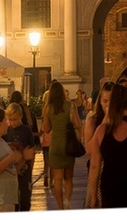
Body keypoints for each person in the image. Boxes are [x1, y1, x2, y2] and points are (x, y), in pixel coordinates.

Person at [0, 105, 34, 213]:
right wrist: (11, 158)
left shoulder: (1, 141)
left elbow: (12, 170)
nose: (8, 123)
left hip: (8, 198)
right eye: (6, 120)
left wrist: (24, 158)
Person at [42, 78, 83, 210]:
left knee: (58, 179)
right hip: (68, 146)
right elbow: (78, 124)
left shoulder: (48, 108)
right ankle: (67, 200)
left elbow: (46, 129)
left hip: (55, 146)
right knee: (69, 178)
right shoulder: (70, 105)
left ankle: (60, 207)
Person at [5, 102, 36, 211]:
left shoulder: (26, 130)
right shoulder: (6, 131)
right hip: (11, 169)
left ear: (20, 117)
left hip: (25, 169)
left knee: (25, 199)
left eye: (15, 119)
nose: (13, 123)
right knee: (13, 200)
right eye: (10, 120)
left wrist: (31, 169)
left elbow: (32, 150)